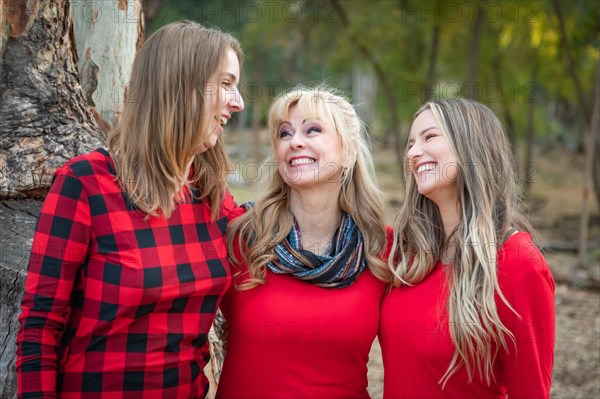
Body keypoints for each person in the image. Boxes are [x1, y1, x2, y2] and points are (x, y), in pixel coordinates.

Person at [16, 20, 244, 398]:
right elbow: (40, 327)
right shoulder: (84, 183)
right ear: (178, 88)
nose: (237, 103)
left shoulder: (211, 194)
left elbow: (275, 243)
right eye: (224, 85)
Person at [215, 86, 392, 398]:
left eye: (313, 130)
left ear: (349, 151)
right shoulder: (241, 237)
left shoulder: (382, 249)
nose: (295, 142)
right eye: (285, 133)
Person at [380, 98, 555, 398]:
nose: (412, 152)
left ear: (471, 146)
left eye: (429, 137)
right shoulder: (406, 256)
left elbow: (530, 391)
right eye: (410, 143)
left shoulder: (519, 263)